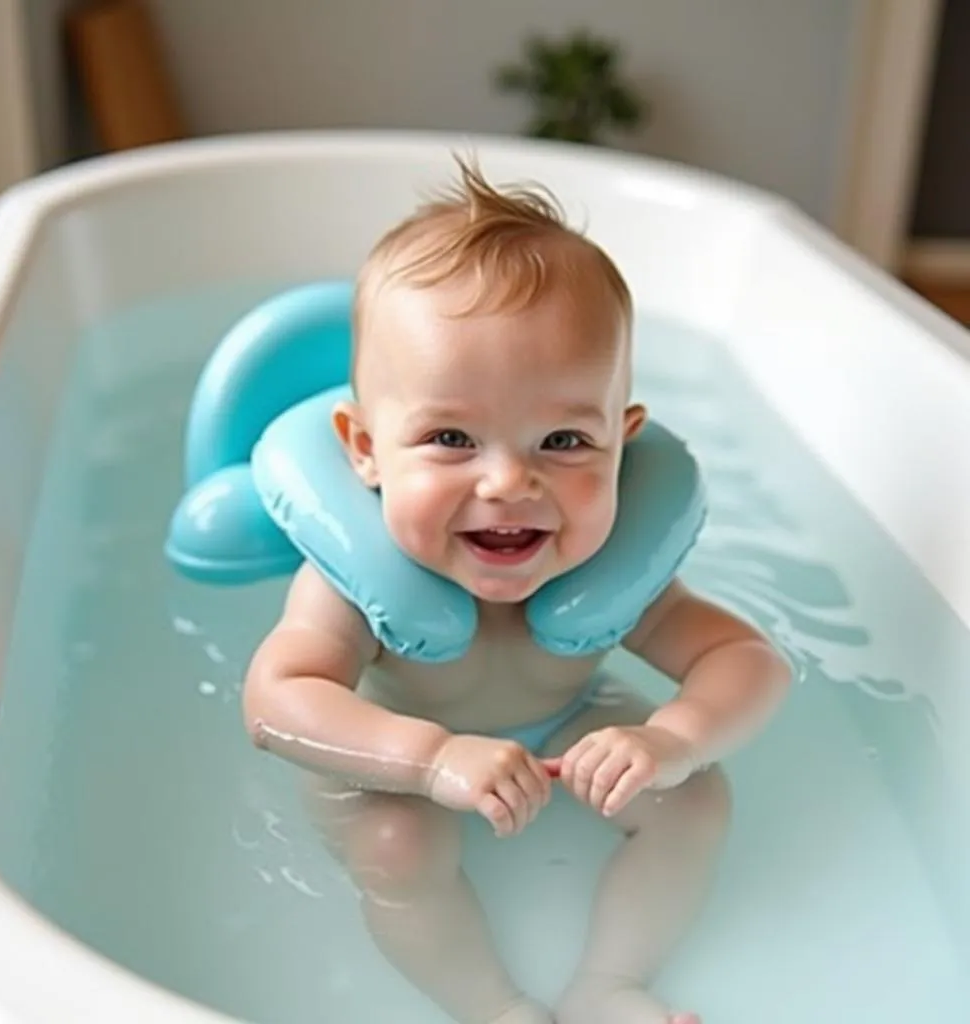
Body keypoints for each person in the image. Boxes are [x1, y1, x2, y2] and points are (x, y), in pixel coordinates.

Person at [241, 156, 791, 1024]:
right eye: (452, 436)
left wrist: (674, 738)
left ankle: (609, 984)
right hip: (393, 763)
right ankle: (492, 1006)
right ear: (364, 449)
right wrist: (428, 759)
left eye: (565, 441)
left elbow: (748, 660)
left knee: (696, 801)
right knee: (395, 844)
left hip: (567, 729)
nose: (508, 482)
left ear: (624, 440)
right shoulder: (353, 587)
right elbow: (278, 700)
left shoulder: (609, 575)